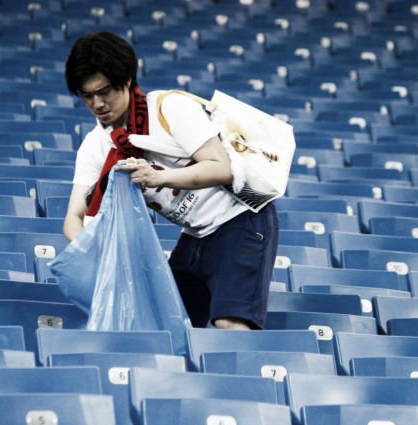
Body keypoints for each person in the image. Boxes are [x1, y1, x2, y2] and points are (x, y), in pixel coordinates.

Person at [63, 31, 278, 330]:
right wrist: (98, 251)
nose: (98, 104)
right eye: (87, 95)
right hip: (196, 233)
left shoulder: (169, 108)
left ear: (126, 80)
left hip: (240, 218)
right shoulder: (95, 146)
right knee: (164, 326)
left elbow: (221, 167)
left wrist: (159, 176)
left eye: (105, 91)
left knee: (230, 324)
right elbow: (74, 218)